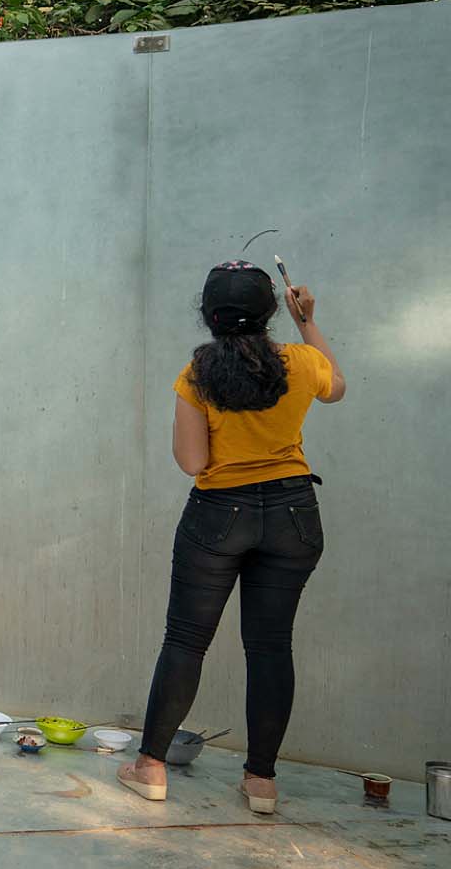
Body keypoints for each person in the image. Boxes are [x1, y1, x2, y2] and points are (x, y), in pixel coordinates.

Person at [120, 262, 344, 814]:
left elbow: (192, 460)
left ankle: (150, 767)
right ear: (271, 313)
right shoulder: (301, 361)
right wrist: (308, 323)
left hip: (220, 515)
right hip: (293, 512)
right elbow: (336, 388)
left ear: (209, 316)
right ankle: (261, 781)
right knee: (271, 647)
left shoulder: (198, 375)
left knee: (186, 640)